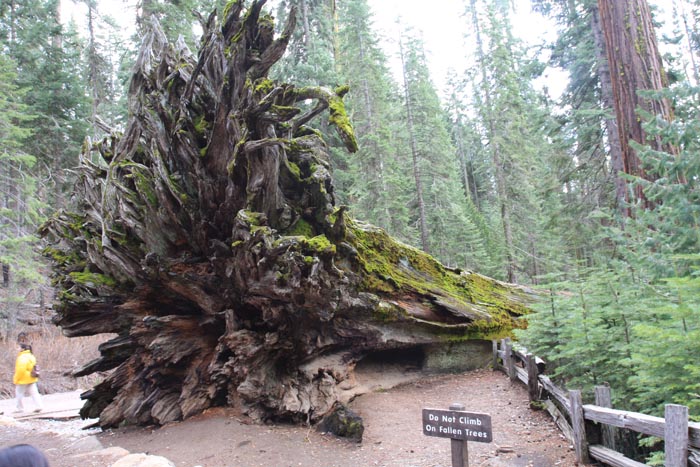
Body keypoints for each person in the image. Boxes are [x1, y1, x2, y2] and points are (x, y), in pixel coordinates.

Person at [13, 343, 43, 413]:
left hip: (23, 378)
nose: (17, 349)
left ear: (22, 349)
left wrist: (16, 379)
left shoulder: (22, 357)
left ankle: (19, 408)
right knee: (34, 393)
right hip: (31, 377)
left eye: (18, 347)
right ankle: (39, 406)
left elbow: (21, 369)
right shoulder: (31, 355)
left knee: (19, 393)